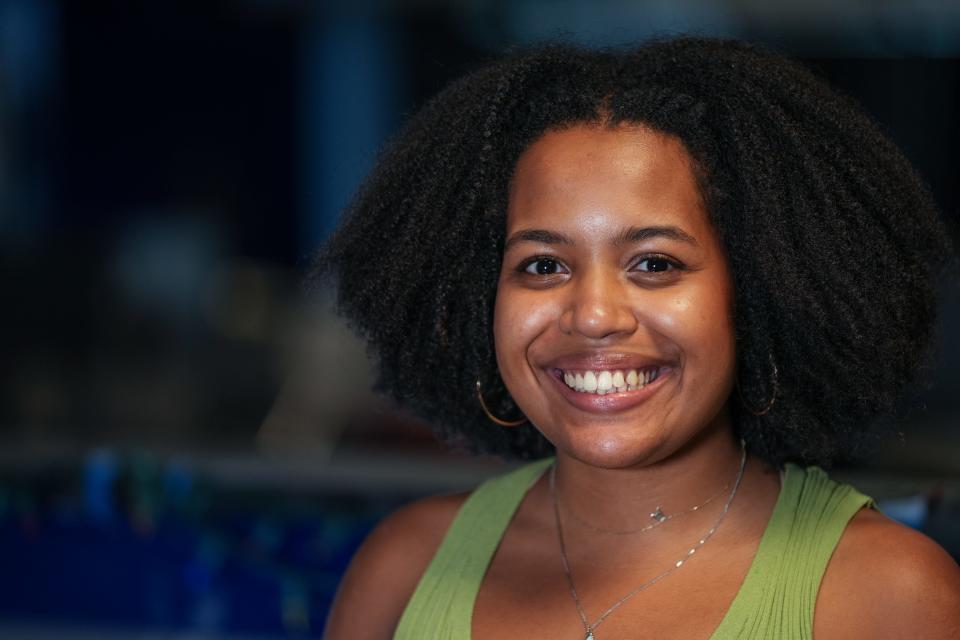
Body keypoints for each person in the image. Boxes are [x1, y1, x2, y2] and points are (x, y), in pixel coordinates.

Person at [317, 38, 960, 639]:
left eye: (655, 263)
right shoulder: (405, 569)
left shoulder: (887, 596)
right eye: (543, 265)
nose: (593, 316)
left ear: (762, 293)